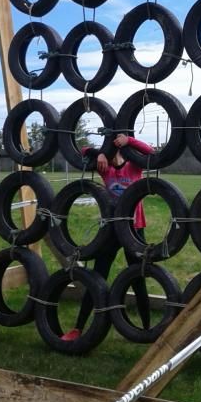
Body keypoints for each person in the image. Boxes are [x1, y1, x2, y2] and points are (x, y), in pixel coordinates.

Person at [61, 133, 154, 341]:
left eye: (113, 152)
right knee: (97, 276)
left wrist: (129, 141)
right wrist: (101, 153)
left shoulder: (134, 166)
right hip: (111, 230)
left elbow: (151, 151)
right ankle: (78, 328)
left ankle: (148, 329)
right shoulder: (105, 168)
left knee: (138, 278)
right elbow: (83, 151)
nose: (111, 157)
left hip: (134, 230)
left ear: (120, 151)